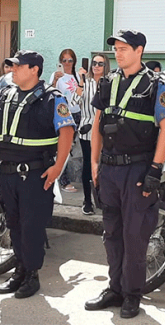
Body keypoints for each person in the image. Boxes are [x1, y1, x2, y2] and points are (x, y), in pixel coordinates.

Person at [0, 50, 75, 299]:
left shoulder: (52, 98)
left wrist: (58, 168)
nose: (13, 70)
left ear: (34, 70)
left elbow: (66, 132)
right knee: (14, 225)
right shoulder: (6, 94)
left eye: (18, 66)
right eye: (11, 66)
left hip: (35, 175)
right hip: (9, 174)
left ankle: (32, 275)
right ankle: (20, 271)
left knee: (32, 227)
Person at [85, 29, 165, 319]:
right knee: (111, 233)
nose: (118, 53)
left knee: (135, 236)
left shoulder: (155, 85)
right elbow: (98, 122)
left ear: (140, 51)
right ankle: (115, 288)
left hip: (137, 169)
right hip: (109, 169)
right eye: (116, 48)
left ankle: (132, 294)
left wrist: (155, 170)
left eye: (124, 48)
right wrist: (95, 163)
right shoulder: (108, 82)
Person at [74, 53, 110, 215]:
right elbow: (75, 101)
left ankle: (104, 198)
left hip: (106, 131)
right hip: (87, 129)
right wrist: (81, 79)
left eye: (100, 64)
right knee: (88, 166)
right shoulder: (86, 82)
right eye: (94, 63)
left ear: (105, 66)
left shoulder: (110, 83)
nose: (96, 66)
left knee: (105, 166)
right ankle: (87, 200)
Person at [48, 48, 82, 192]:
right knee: (64, 148)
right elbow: (50, 93)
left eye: (70, 60)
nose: (67, 63)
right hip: (63, 115)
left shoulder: (78, 76)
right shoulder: (57, 76)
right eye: (64, 60)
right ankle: (63, 180)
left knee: (73, 149)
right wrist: (55, 80)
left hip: (78, 114)